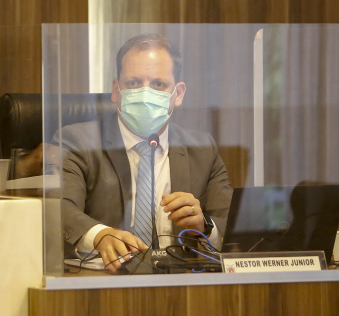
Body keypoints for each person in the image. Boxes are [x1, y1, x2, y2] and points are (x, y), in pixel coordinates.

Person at [60, 34, 232, 273]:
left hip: (184, 287)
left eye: (158, 84)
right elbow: (59, 208)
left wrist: (204, 226)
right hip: (105, 286)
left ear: (179, 94)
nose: (144, 93)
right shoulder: (79, 142)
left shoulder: (202, 149)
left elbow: (231, 225)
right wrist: (100, 235)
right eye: (133, 83)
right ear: (115, 90)